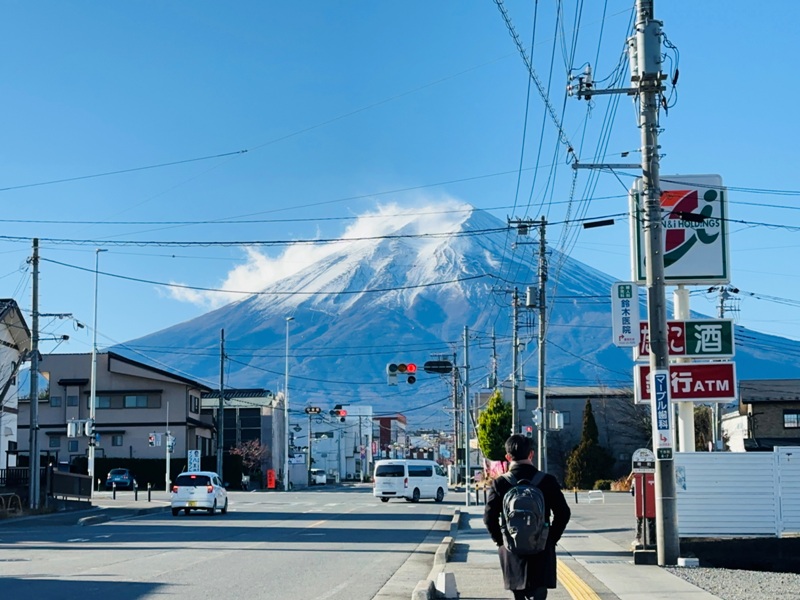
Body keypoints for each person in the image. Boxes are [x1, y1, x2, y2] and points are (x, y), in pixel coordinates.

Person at [483, 434, 571, 600]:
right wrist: (550, 538)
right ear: (531, 454)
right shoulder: (547, 481)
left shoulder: (500, 483)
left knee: (519, 595)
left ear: (508, 457)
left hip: (512, 550)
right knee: (539, 593)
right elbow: (563, 513)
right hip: (541, 549)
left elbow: (489, 517)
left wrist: (501, 542)